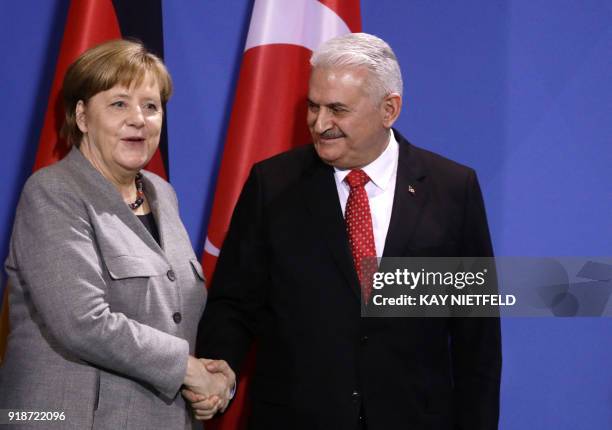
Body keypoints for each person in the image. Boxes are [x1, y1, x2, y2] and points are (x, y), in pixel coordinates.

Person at [193, 33, 501, 429]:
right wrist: (220, 373)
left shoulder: (452, 189)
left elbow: (477, 335)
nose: (320, 124)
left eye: (338, 110)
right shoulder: (274, 184)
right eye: (313, 106)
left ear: (389, 109)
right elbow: (234, 302)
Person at [0, 39, 234, 429]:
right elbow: (82, 321)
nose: (138, 119)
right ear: (82, 116)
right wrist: (188, 370)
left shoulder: (163, 193)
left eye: (151, 106)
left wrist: (216, 376)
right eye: (119, 103)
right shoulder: (52, 192)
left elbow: (175, 313)